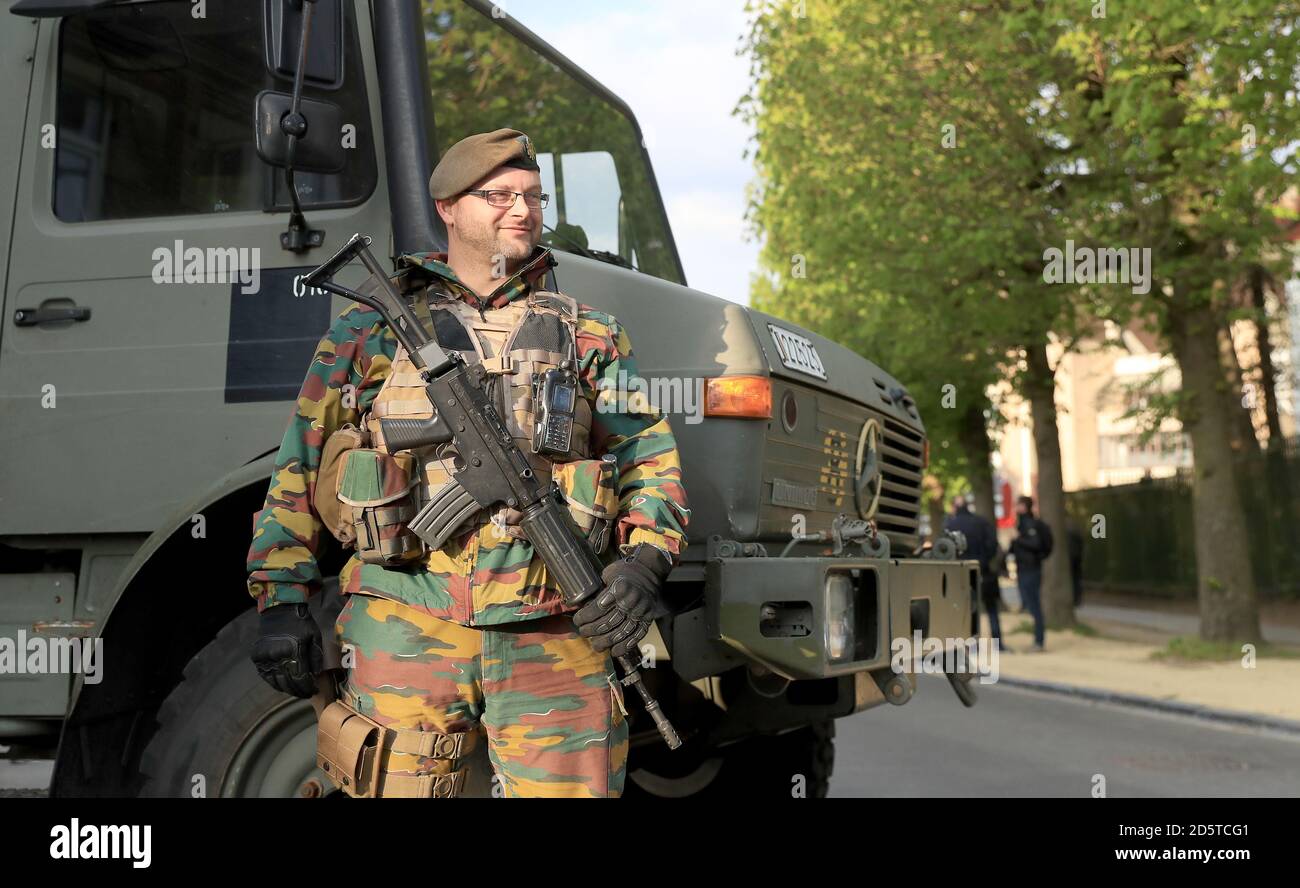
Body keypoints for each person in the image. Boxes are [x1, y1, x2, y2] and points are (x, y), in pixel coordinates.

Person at [245, 129, 689, 798]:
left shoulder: (588, 331)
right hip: (405, 618)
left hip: (555, 624)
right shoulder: (369, 330)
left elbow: (646, 457)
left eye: (534, 197)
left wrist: (643, 562)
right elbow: (299, 470)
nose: (523, 210)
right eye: (500, 195)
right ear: (449, 207)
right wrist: (280, 597)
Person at [943, 495, 1007, 650]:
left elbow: (946, 548)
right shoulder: (982, 522)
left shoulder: (951, 525)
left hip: (961, 573)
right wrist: (983, 561)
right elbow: (993, 544)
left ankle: (972, 643)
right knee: (991, 609)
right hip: (984, 571)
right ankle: (998, 643)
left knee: (968, 608)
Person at [1009, 495, 1053, 652]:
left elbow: (1035, 544)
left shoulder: (1031, 524)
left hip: (1031, 569)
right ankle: (1037, 639)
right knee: (1029, 603)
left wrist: (1017, 540)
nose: (1016, 508)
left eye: (1018, 505)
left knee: (1034, 605)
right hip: (1023, 568)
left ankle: (1039, 641)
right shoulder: (1021, 524)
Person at [1066, 518, 1084, 607]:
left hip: (1070, 557)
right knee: (1076, 578)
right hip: (1077, 556)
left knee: (1072, 578)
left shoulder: (1064, 528)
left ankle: (1074, 598)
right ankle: (1077, 599)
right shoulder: (1075, 527)